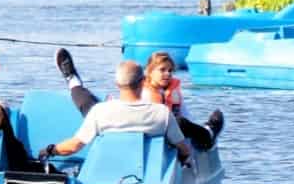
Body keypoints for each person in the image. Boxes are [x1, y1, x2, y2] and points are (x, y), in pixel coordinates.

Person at [42, 57, 196, 167]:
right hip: (147, 170)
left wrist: (50, 150)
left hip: (109, 167)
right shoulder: (162, 113)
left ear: (117, 84)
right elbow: (183, 149)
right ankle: (73, 81)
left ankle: (73, 81)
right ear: (143, 82)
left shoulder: (99, 111)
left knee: (85, 102)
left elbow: (74, 146)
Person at [141, 50, 223, 151]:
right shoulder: (144, 92)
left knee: (181, 122)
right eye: (162, 70)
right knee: (179, 123)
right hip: (155, 133)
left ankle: (207, 135)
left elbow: (185, 114)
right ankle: (208, 131)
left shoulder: (173, 91)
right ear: (150, 71)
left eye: (170, 70)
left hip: (175, 131)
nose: (167, 74)